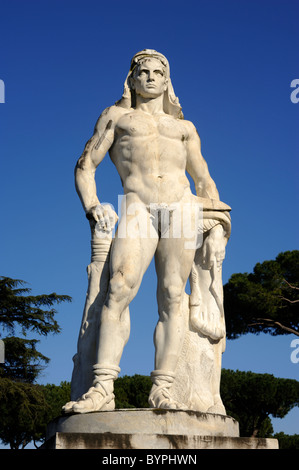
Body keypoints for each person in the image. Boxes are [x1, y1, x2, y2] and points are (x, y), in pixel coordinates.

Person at [63, 50, 229, 414]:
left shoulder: (185, 129)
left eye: (158, 72)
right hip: (135, 206)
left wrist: (217, 224)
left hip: (182, 208)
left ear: (167, 82)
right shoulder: (116, 117)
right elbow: (84, 166)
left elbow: (204, 181)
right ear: (132, 79)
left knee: (173, 295)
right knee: (118, 287)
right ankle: (102, 388)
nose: (151, 77)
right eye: (144, 72)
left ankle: (163, 389)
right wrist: (93, 206)